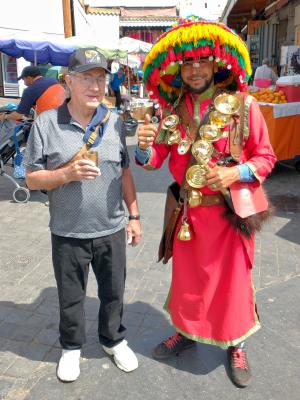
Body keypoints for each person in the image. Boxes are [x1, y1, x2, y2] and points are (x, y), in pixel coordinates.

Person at [135, 17, 276, 388]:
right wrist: (143, 147)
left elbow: (266, 158)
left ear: (216, 64)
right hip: (187, 217)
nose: (195, 69)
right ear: (180, 68)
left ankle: (236, 344)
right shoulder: (172, 110)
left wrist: (236, 173)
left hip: (230, 215)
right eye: (188, 63)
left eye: (201, 62)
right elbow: (155, 161)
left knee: (233, 285)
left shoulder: (244, 106)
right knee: (188, 282)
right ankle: (186, 330)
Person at [23, 48, 142, 382]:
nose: (95, 86)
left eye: (101, 79)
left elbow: (125, 171)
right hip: (68, 230)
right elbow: (31, 178)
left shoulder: (115, 121)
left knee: (114, 291)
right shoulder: (46, 123)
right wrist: (66, 174)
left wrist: (134, 216)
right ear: (68, 82)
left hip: (111, 227)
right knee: (71, 296)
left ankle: (114, 340)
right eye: (87, 78)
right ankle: (72, 347)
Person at [0, 66, 65, 123]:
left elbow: (18, 116)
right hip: (67, 115)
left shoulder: (30, 90)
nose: (23, 82)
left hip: (51, 122)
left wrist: (5, 116)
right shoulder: (53, 81)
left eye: (23, 79)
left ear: (29, 78)